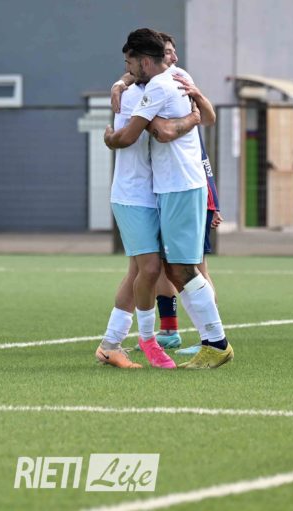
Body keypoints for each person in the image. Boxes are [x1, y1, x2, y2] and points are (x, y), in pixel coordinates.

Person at [104, 28, 233, 369]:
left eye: (130, 63)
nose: (127, 69)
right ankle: (125, 343)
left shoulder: (159, 86)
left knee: (180, 269)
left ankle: (214, 343)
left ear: (144, 61)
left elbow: (159, 132)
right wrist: (121, 83)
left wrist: (111, 138)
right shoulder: (170, 78)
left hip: (178, 186)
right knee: (161, 269)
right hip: (163, 189)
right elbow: (205, 118)